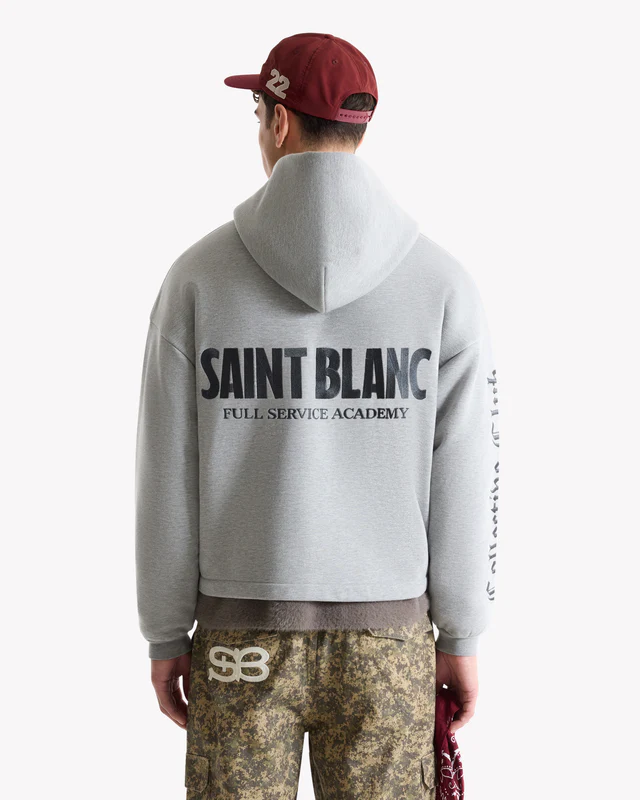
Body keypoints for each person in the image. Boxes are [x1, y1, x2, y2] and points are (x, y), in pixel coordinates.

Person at [135, 31, 500, 799]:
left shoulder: (197, 279)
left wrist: (165, 631)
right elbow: (466, 476)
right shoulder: (442, 284)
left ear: (278, 120)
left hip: (239, 638)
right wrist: (462, 631)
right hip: (389, 640)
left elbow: (166, 472)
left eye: (258, 116)